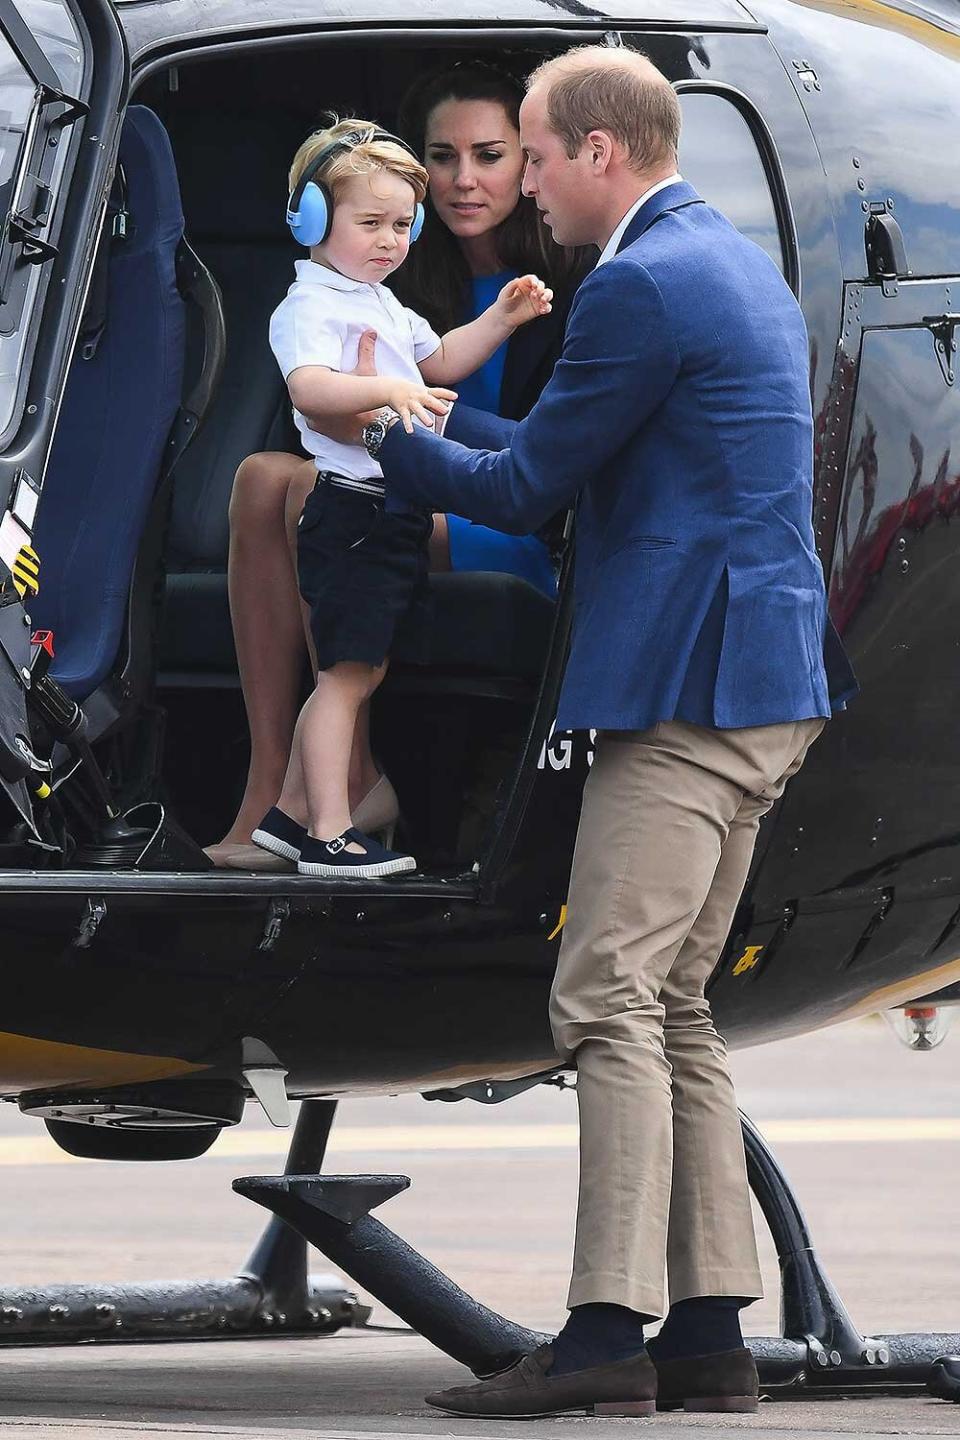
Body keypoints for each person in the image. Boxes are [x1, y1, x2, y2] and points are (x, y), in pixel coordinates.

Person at [358, 45, 857, 1417]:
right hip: (762, 684)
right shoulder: (719, 262)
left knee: (607, 998)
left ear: (595, 154)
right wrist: (448, 415)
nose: (515, 181)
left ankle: (601, 1339)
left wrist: (392, 430)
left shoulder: (637, 282)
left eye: (526, 151)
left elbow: (522, 491)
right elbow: (583, 452)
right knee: (678, 1003)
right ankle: (706, 1339)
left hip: (692, 694)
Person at [207, 63, 586, 869]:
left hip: (501, 511)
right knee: (260, 477)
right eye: (442, 157)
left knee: (309, 486)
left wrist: (430, 414)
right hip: (404, 488)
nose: (462, 180)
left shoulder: (565, 279)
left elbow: (543, 449)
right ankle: (273, 783)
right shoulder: (385, 277)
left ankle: (332, 785)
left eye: (489, 155)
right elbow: (326, 397)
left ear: (531, 161)